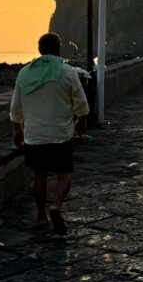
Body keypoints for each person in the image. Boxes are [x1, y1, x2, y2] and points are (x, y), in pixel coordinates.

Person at [10, 32, 89, 235]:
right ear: (58, 49)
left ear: (39, 50)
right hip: (60, 134)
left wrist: (18, 129)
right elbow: (81, 103)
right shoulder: (68, 72)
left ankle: (40, 216)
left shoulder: (25, 73)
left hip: (34, 135)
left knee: (40, 174)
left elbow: (16, 107)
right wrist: (81, 122)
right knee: (64, 174)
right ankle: (56, 206)